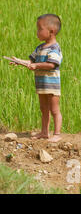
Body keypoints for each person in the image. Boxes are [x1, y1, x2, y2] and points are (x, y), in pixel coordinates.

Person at [9, 14, 63, 142]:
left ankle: (57, 134)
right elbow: (30, 61)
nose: (37, 32)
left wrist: (36, 65)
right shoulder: (39, 48)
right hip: (41, 84)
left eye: (39, 29)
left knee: (54, 109)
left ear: (51, 32)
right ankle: (44, 132)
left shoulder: (54, 48)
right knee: (43, 109)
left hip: (52, 85)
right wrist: (19, 61)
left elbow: (52, 64)